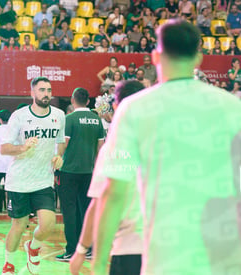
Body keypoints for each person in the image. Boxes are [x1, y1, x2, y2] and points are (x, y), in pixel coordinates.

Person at [91, 20, 241, 275]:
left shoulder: (133, 109)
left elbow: (113, 192)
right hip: (225, 255)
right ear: (199, 57)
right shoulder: (232, 107)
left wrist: (97, 259)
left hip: (166, 256)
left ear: (156, 55)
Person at [69, 80, 145, 275]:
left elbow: (101, 203)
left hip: (131, 248)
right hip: (167, 246)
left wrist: (82, 250)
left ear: (116, 105)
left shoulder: (117, 145)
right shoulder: (164, 139)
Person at [0, 76, 65, 275]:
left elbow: (60, 140)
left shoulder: (59, 115)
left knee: (48, 224)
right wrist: (23, 147)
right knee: (18, 226)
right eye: (42, 90)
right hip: (18, 181)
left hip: (43, 179)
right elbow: (4, 148)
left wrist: (59, 156)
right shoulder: (19, 116)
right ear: (32, 93)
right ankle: (9, 263)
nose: (46, 94)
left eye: (49, 90)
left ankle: (33, 246)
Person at [56, 87, 104, 261]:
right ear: (88, 101)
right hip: (89, 172)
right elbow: (101, 149)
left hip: (68, 172)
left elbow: (64, 144)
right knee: (86, 211)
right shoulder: (96, 120)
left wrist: (56, 161)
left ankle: (71, 251)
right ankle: (88, 249)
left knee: (69, 211)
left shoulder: (69, 119)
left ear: (72, 100)